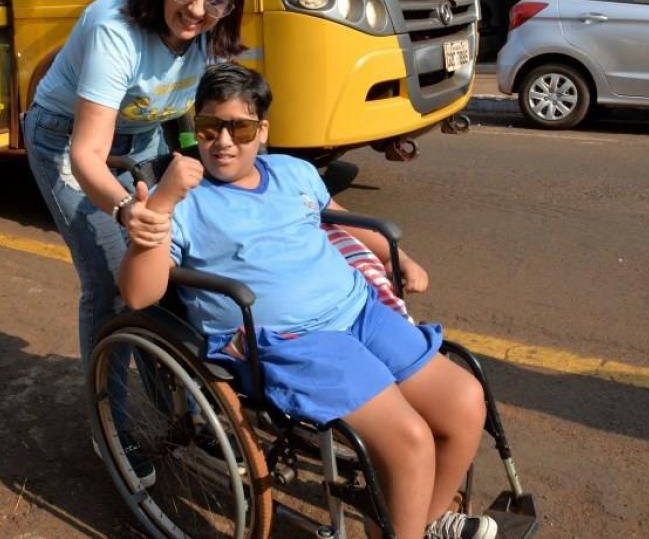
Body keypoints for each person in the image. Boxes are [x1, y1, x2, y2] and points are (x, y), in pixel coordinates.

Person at [119, 63, 497, 539]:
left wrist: (398, 258)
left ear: (263, 131)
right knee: (411, 440)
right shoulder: (181, 199)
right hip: (289, 340)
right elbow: (139, 293)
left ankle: (415, 522)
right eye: (210, 127)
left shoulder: (293, 172)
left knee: (465, 401)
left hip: (358, 311)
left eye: (240, 128)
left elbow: (337, 216)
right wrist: (162, 203)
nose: (224, 142)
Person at [22, 0, 247, 368]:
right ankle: (110, 406)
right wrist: (126, 209)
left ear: (229, 6)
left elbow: (216, 112)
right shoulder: (115, 29)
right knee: (110, 280)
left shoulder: (211, 32)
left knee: (168, 261)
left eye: (216, 0)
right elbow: (86, 154)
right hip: (65, 137)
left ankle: (162, 385)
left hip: (142, 132)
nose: (197, 9)